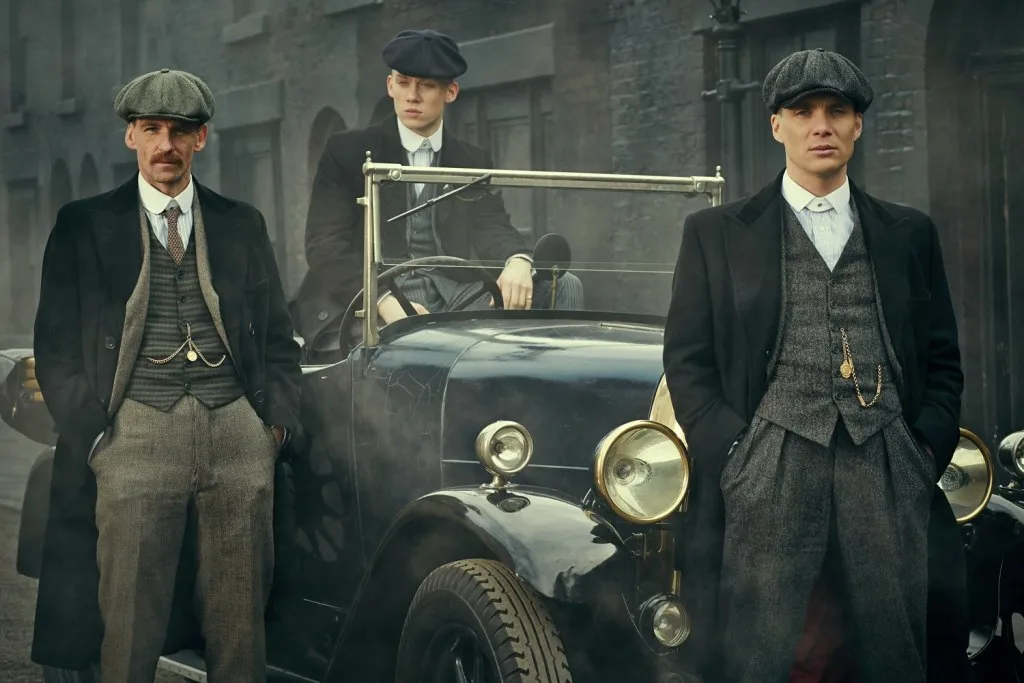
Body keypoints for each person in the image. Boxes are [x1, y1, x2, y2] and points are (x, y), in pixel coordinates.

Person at [662, 48, 969, 683]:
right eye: (803, 112)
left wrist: (921, 451)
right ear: (777, 125)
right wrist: (736, 454)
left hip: (886, 459)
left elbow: (943, 357)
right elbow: (687, 361)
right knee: (760, 651)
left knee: (893, 648)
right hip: (769, 462)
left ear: (858, 124)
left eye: (837, 111)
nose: (821, 126)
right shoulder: (716, 233)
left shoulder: (909, 233)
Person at [29, 67, 303, 683]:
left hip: (237, 434)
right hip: (133, 436)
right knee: (128, 624)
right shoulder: (83, 223)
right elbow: (55, 347)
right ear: (131, 136)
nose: (166, 146)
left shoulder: (241, 222)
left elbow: (278, 338)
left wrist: (273, 429)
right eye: (151, 129)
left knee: (240, 626)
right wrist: (95, 439)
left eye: (180, 131)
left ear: (200, 139)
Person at [290, 29, 583, 352]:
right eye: (403, 82)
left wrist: (517, 261)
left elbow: (492, 227)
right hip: (367, 295)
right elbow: (324, 245)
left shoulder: (470, 158)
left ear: (450, 92)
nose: (412, 96)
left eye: (426, 85)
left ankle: (549, 379)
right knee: (406, 350)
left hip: (452, 295)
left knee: (562, 285)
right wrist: (382, 300)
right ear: (390, 86)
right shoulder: (348, 150)